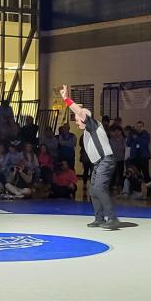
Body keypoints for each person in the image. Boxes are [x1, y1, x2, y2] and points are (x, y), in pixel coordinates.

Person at [61, 86, 120, 229]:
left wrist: (66, 99)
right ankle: (99, 218)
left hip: (105, 161)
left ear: (85, 118)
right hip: (99, 163)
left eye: (77, 119)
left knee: (99, 188)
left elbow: (79, 111)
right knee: (93, 191)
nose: (76, 122)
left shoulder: (93, 125)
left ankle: (112, 218)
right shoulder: (88, 131)